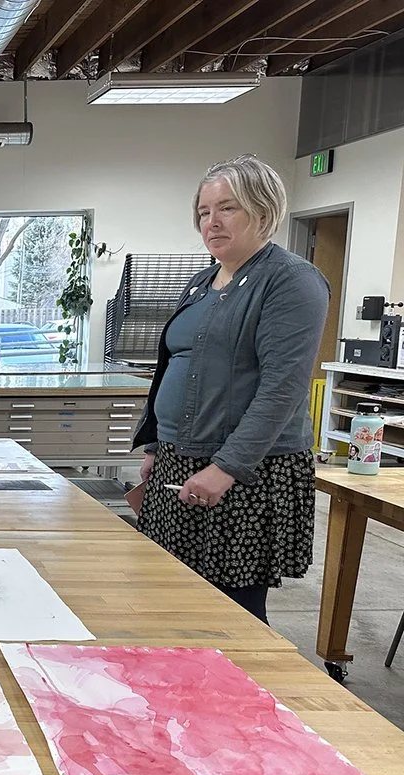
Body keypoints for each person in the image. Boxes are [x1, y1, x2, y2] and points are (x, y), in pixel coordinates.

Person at [132, 155, 329, 624]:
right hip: (181, 460)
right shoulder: (204, 281)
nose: (212, 221)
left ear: (263, 211)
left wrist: (226, 469)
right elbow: (175, 365)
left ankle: (239, 694)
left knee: (230, 610)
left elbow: (282, 390)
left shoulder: (290, 281)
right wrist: (157, 442)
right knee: (173, 593)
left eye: (228, 208)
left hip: (245, 472)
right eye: (203, 211)